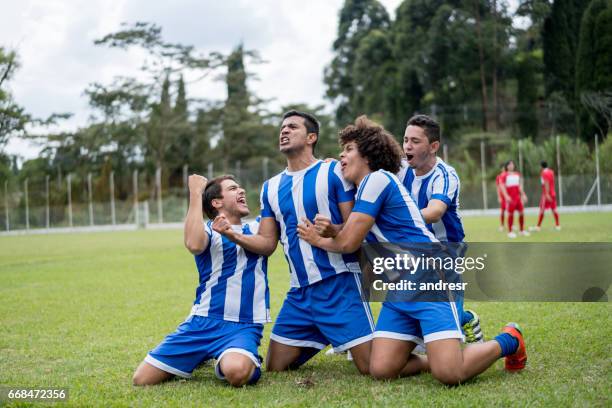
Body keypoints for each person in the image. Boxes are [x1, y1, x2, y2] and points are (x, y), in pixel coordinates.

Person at [297, 116, 527, 384]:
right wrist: (335, 230)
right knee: (381, 369)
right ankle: (441, 354)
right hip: (401, 285)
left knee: (450, 375)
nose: (341, 155)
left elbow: (349, 243)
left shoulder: (378, 180)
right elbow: (357, 233)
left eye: (348, 149)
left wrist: (317, 239)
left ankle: (510, 339)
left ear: (368, 155)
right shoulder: (367, 188)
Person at [212, 110, 374, 374]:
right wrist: (233, 234)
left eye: (292, 127)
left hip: (340, 284)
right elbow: (267, 243)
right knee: (276, 367)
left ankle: (420, 356)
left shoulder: (333, 170)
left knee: (373, 368)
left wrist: (332, 229)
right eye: (282, 128)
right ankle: (328, 332)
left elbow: (355, 226)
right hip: (300, 293)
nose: (284, 131)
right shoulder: (270, 187)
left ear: (312, 137)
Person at [132, 175, 270, 387]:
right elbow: (194, 244)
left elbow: (269, 241)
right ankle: (205, 353)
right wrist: (196, 193)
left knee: (236, 373)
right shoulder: (207, 230)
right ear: (216, 202)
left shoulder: (258, 228)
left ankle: (233, 356)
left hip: (243, 325)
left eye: (240, 187)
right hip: (202, 321)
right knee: (142, 379)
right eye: (233, 188)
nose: (241, 191)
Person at [398, 114, 483, 344]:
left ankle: (466, 319)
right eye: (405, 139)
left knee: (447, 317)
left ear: (433, 146)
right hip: (413, 250)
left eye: (415, 141)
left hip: (447, 251)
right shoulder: (400, 169)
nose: (407, 146)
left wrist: (399, 218)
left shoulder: (445, 174)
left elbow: (434, 211)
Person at [499, 160, 530, 238]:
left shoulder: (517, 174)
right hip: (510, 199)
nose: (511, 165)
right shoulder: (504, 175)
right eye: (509, 164)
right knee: (510, 214)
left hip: (518, 198)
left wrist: (523, 195)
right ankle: (510, 232)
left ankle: (521, 231)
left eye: (512, 164)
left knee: (522, 213)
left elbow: (519, 186)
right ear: (507, 166)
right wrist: (506, 196)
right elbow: (502, 186)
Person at [531, 161, 561, 231]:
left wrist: (547, 194)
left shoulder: (544, 173)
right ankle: (558, 225)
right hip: (553, 193)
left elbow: (546, 182)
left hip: (546, 194)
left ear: (541, 166)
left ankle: (538, 226)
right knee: (554, 209)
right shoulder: (551, 172)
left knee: (542, 210)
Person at [496, 164, 507, 232]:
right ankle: (502, 225)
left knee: (510, 211)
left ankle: (511, 225)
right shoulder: (499, 177)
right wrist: (499, 196)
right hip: (503, 197)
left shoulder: (508, 175)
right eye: (503, 168)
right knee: (503, 211)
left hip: (509, 196)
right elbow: (498, 187)